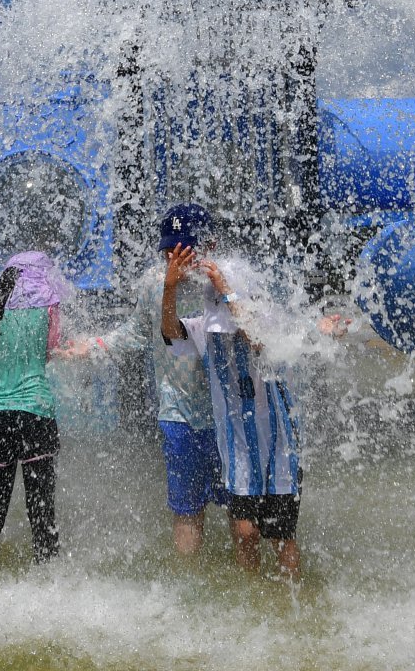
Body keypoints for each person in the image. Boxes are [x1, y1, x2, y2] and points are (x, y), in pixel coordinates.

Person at [66, 203, 228, 556]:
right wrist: (94, 346)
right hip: (179, 415)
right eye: (169, 250)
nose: (174, 258)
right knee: (187, 511)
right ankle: (189, 586)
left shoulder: (222, 281)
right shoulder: (156, 284)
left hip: (227, 414)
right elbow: (137, 333)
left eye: (182, 250)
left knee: (241, 513)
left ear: (208, 246)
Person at [160, 243, 314, 581]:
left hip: (279, 449)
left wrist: (227, 292)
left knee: (279, 535)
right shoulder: (205, 329)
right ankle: (253, 597)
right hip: (240, 451)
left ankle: (291, 597)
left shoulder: (265, 319)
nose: (223, 336)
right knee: (245, 532)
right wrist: (170, 286)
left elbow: (256, 339)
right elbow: (171, 332)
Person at [0, 251, 68, 571]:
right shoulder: (47, 306)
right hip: (35, 413)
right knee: (42, 513)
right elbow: (51, 350)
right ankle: (50, 586)